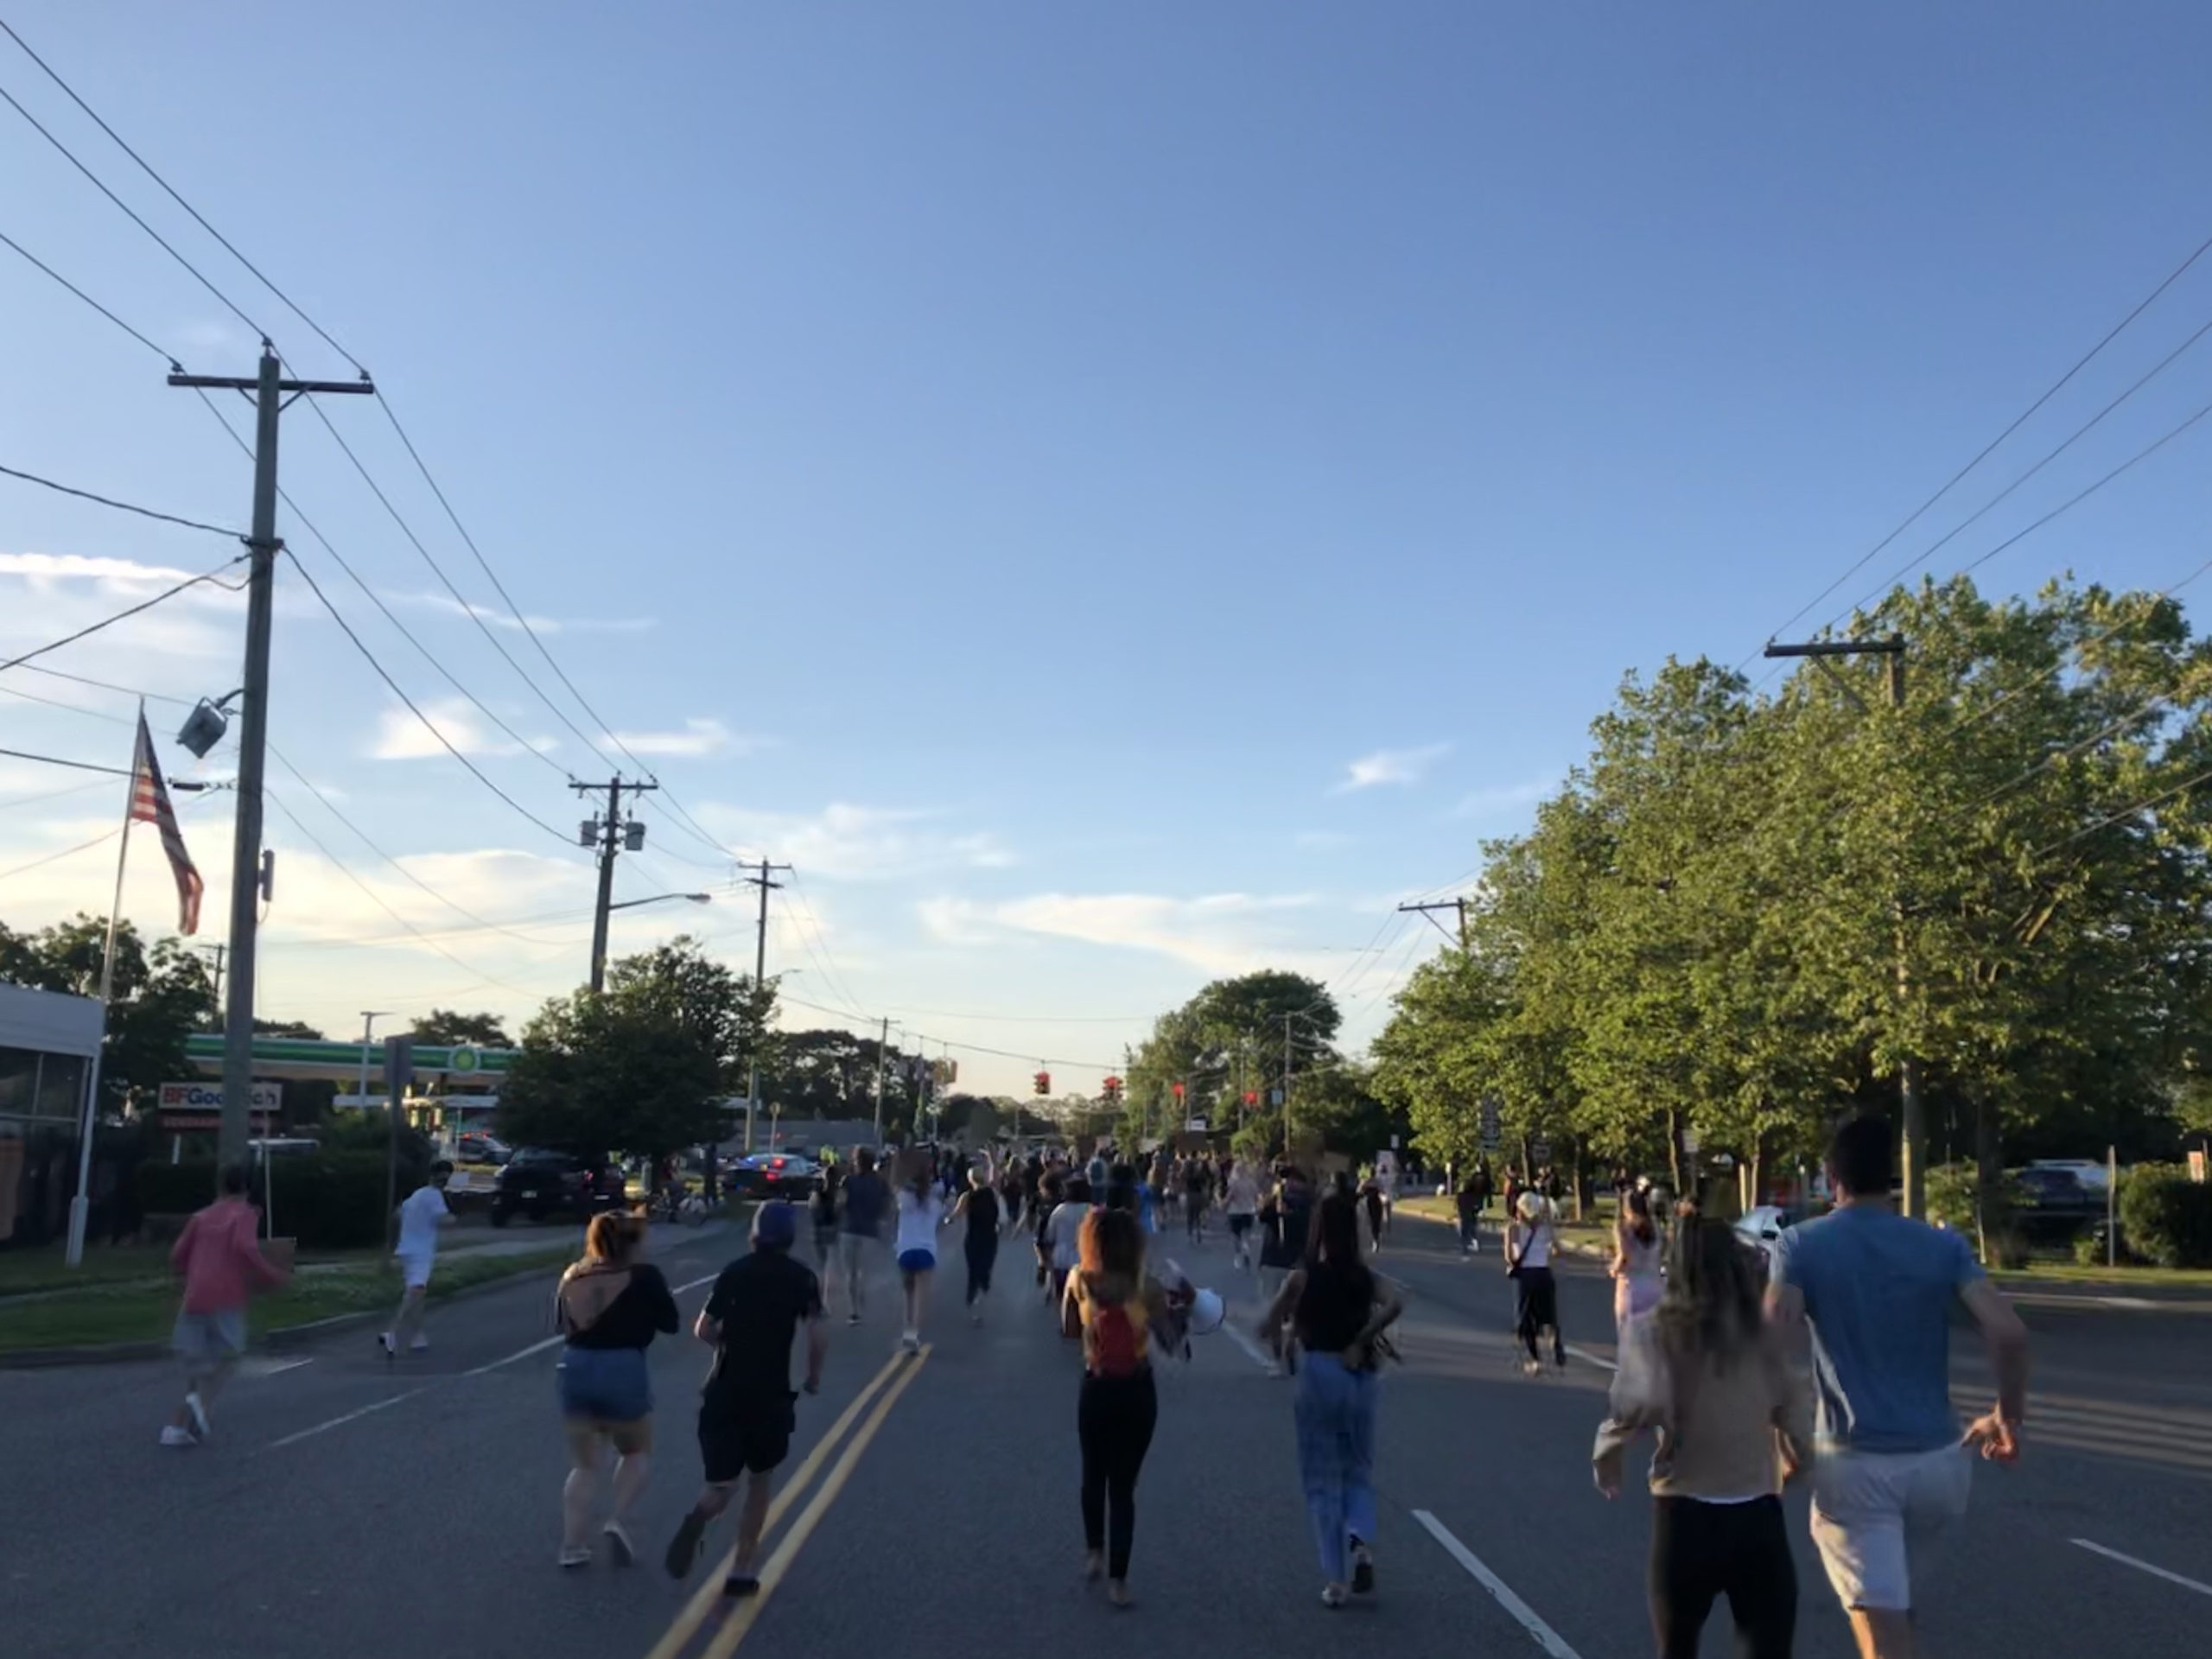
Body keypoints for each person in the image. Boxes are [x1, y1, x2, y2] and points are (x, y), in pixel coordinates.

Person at [1766, 1116, 2030, 1659]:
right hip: (1940, 1465)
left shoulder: (1801, 1245)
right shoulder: (1940, 1247)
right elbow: (2008, 1331)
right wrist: (2007, 1414)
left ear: (1830, 1174)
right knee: (1894, 1604)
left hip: (1856, 1464)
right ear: (1890, 1178)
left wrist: (1785, 1440)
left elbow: (1769, 1344)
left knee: (1881, 1633)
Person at [1595, 1218, 1812, 1659]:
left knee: (1678, 1648)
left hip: (1685, 1516)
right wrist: (1797, 1463)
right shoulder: (1762, 1335)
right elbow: (1797, 1416)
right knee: (1768, 1647)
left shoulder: (1653, 1331)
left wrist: (1608, 1457)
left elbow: (1632, 1406)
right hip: (1756, 1515)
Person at [665, 1201, 827, 1599]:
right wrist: (812, 1377)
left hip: (724, 1388)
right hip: (769, 1395)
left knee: (721, 1485)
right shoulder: (802, 1278)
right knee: (760, 1479)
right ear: (789, 1237)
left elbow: (704, 1327)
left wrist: (726, 1346)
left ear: (754, 1233)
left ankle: (701, 1514)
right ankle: (742, 1569)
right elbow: (818, 1332)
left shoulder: (734, 1272)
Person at [1262, 1192, 1405, 1608]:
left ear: (1319, 1230)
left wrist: (1281, 1337)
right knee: (1358, 1468)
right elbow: (1395, 1302)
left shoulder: (1303, 1276)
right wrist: (1362, 1338)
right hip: (1360, 1375)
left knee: (1322, 1478)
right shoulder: (1363, 1276)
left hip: (1320, 1374)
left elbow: (1271, 1319)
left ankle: (1337, 1581)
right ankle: (1360, 1538)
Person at [554, 1211, 678, 1567]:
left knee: (584, 1464)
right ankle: (619, 1518)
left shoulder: (573, 1274)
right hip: (623, 1365)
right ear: (631, 1242)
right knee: (635, 1451)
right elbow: (670, 1323)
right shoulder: (644, 1277)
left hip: (574, 1366)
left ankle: (573, 1545)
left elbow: (562, 1324)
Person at [1072, 1205, 1170, 1608]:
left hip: (1096, 1387)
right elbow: (1171, 1339)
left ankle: (1094, 1550)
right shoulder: (1147, 1287)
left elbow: (1069, 1321)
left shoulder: (1082, 1279)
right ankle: (1119, 1580)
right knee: (1124, 1489)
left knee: (1093, 1473)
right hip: (1136, 1390)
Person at [162, 1164, 289, 1446]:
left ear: (220, 1186)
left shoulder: (200, 1216)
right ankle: (201, 1405)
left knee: (196, 1360)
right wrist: (271, 1274)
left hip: (196, 1295)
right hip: (227, 1296)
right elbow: (245, 1248)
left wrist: (186, 1277)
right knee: (229, 1356)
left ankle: (176, 1426)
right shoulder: (244, 1215)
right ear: (246, 1189)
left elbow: (177, 1255)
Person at [381, 1160, 455, 1357]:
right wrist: (453, 1215)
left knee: (417, 1296)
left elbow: (398, 1214)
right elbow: (444, 1219)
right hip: (421, 1251)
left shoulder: (416, 1195)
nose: (444, 1182)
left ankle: (417, 1335)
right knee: (416, 1291)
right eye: (444, 1178)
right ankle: (392, 1331)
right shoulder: (434, 1195)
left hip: (406, 1248)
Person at [1507, 1190, 1566, 1376]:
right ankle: (1556, 1342)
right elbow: (1557, 1250)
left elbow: (1510, 1257)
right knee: (1549, 1315)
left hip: (1526, 1276)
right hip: (1544, 1273)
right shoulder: (1545, 1228)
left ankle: (1535, 1359)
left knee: (1526, 1319)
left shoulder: (1514, 1229)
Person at [893, 1155, 944, 1352]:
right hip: (926, 1250)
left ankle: (906, 1330)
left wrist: (897, 1164)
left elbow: (894, 1191)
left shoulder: (904, 1197)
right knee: (921, 1299)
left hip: (905, 1249)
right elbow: (939, 1224)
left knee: (908, 1294)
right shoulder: (934, 1201)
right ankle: (914, 1336)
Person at [837, 1147, 890, 1325]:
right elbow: (887, 1205)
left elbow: (840, 1203)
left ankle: (853, 1312)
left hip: (849, 1229)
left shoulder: (848, 1181)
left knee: (850, 1273)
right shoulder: (880, 1182)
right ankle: (862, 1295)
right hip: (870, 1231)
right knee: (863, 1271)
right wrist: (880, 1218)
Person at [950, 1160, 1003, 1324]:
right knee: (984, 1271)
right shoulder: (993, 1193)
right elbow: (997, 1176)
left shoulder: (967, 1196)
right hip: (990, 1238)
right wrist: (993, 1160)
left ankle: (974, 1305)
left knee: (974, 1272)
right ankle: (980, 1301)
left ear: (970, 1179)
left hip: (973, 1239)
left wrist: (946, 1220)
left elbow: (956, 1214)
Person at [1612, 1185, 1664, 1336]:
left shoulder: (1623, 1228)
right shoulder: (1655, 1226)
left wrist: (1613, 1268)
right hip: (1655, 1290)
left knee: (1629, 1345)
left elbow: (1623, 1258)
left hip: (1631, 1292)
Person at [808, 1161, 841, 1306]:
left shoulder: (818, 1192)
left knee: (821, 1267)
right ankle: (828, 1301)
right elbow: (841, 1212)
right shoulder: (838, 1193)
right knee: (831, 1268)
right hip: (833, 1231)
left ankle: (819, 1300)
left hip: (819, 1231)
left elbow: (812, 1209)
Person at [1224, 1158, 1261, 1270]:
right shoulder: (1252, 1183)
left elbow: (1229, 1198)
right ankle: (1247, 1250)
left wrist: (1223, 1203)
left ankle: (1238, 1256)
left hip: (1235, 1212)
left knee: (1236, 1236)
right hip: (1249, 1211)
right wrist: (1257, 1207)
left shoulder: (1234, 1183)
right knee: (1247, 1235)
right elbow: (1258, 1196)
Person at [1454, 1169, 1486, 1258]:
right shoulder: (1472, 1196)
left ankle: (1464, 1249)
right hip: (1471, 1215)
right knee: (1472, 1231)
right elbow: (1475, 1205)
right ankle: (1476, 1244)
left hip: (1463, 1216)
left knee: (1464, 1233)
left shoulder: (1461, 1196)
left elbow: (1458, 1206)